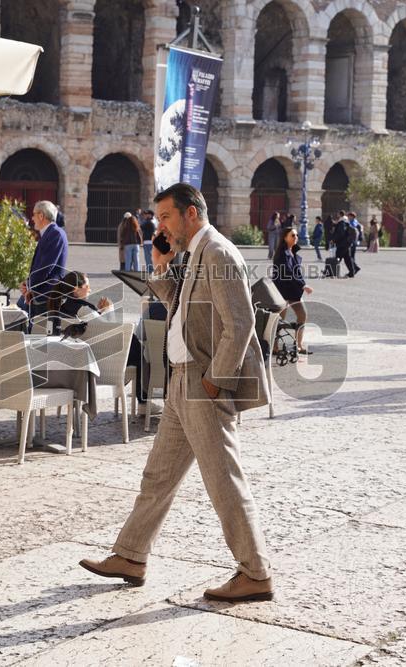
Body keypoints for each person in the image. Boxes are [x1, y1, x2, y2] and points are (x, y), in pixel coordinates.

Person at [79, 182, 272, 603]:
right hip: (183, 383)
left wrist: (214, 380)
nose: (160, 226)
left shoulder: (218, 252)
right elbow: (180, 312)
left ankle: (255, 573)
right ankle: (131, 556)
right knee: (158, 476)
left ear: (191, 213)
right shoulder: (195, 254)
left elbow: (240, 325)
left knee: (223, 481)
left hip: (202, 386)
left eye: (166, 217)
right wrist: (161, 267)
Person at [22, 200, 68, 318]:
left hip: (47, 295)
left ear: (41, 215)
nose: (32, 218)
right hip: (39, 294)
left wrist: (29, 285)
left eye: (34, 214)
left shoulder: (55, 234)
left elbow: (46, 267)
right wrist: (28, 284)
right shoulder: (49, 233)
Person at [272, 227, 314, 353]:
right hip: (282, 291)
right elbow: (288, 272)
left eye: (296, 235)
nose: (295, 237)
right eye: (292, 235)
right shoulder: (281, 254)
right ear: (285, 237)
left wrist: (302, 284)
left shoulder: (293, 252)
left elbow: (296, 272)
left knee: (302, 315)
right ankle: (274, 346)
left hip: (294, 291)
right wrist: (302, 285)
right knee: (279, 320)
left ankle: (299, 345)